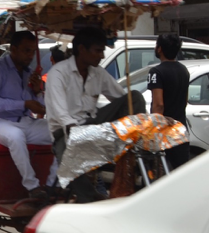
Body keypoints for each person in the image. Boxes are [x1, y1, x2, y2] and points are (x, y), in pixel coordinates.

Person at [46, 26, 146, 202]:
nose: (101, 56)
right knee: (68, 162)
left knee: (135, 97)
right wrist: (80, 136)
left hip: (92, 123)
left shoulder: (98, 73)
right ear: (82, 49)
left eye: (102, 51)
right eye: (98, 51)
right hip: (65, 132)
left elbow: (122, 99)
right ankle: (90, 199)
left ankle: (133, 148)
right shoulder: (58, 73)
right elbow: (61, 114)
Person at [0, 31, 56, 199]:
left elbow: (38, 107)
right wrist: (24, 104)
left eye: (32, 51)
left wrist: (37, 93)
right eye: (26, 51)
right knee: (16, 136)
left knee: (63, 132)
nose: (30, 56)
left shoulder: (29, 73)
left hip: (26, 122)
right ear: (13, 49)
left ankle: (52, 184)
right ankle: (32, 186)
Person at [147, 33, 191, 168]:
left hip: (165, 131)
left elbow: (158, 105)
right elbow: (185, 100)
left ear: (159, 49)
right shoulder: (184, 70)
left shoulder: (156, 72)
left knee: (160, 174)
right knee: (181, 171)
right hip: (181, 129)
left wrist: (155, 130)